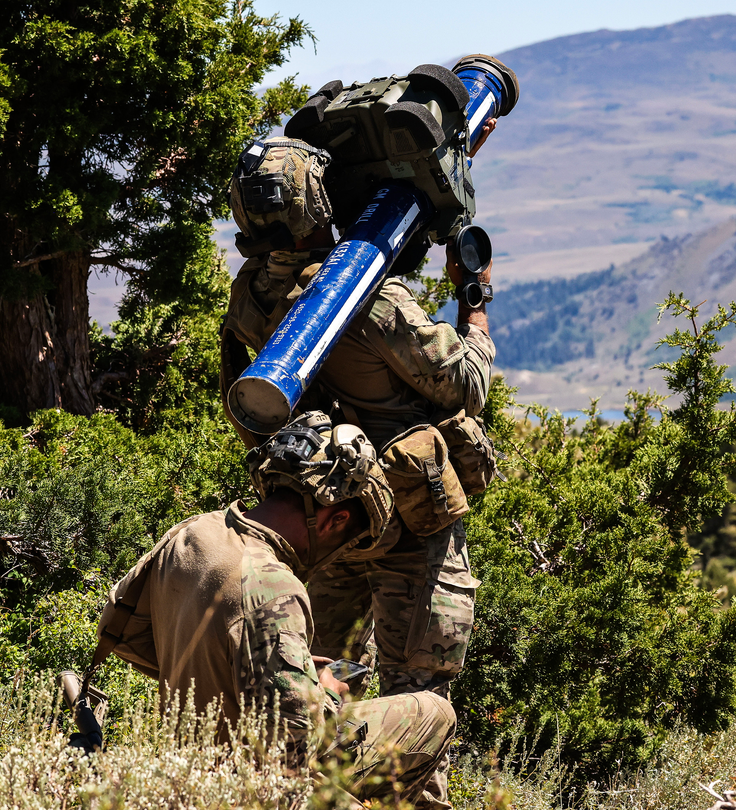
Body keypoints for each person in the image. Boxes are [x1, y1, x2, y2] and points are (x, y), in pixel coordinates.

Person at [220, 123, 498, 807]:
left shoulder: (252, 296)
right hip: (412, 525)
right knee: (419, 705)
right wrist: (475, 303)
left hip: (324, 526)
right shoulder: (369, 299)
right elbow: (467, 383)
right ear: (317, 201)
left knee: (316, 688)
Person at [96, 413, 456, 808]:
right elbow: (293, 751)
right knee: (433, 712)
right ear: (336, 519)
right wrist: (326, 694)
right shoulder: (275, 588)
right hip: (247, 791)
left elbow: (120, 631)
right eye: (351, 540)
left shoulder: (194, 531)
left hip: (185, 762)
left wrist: (218, 671)